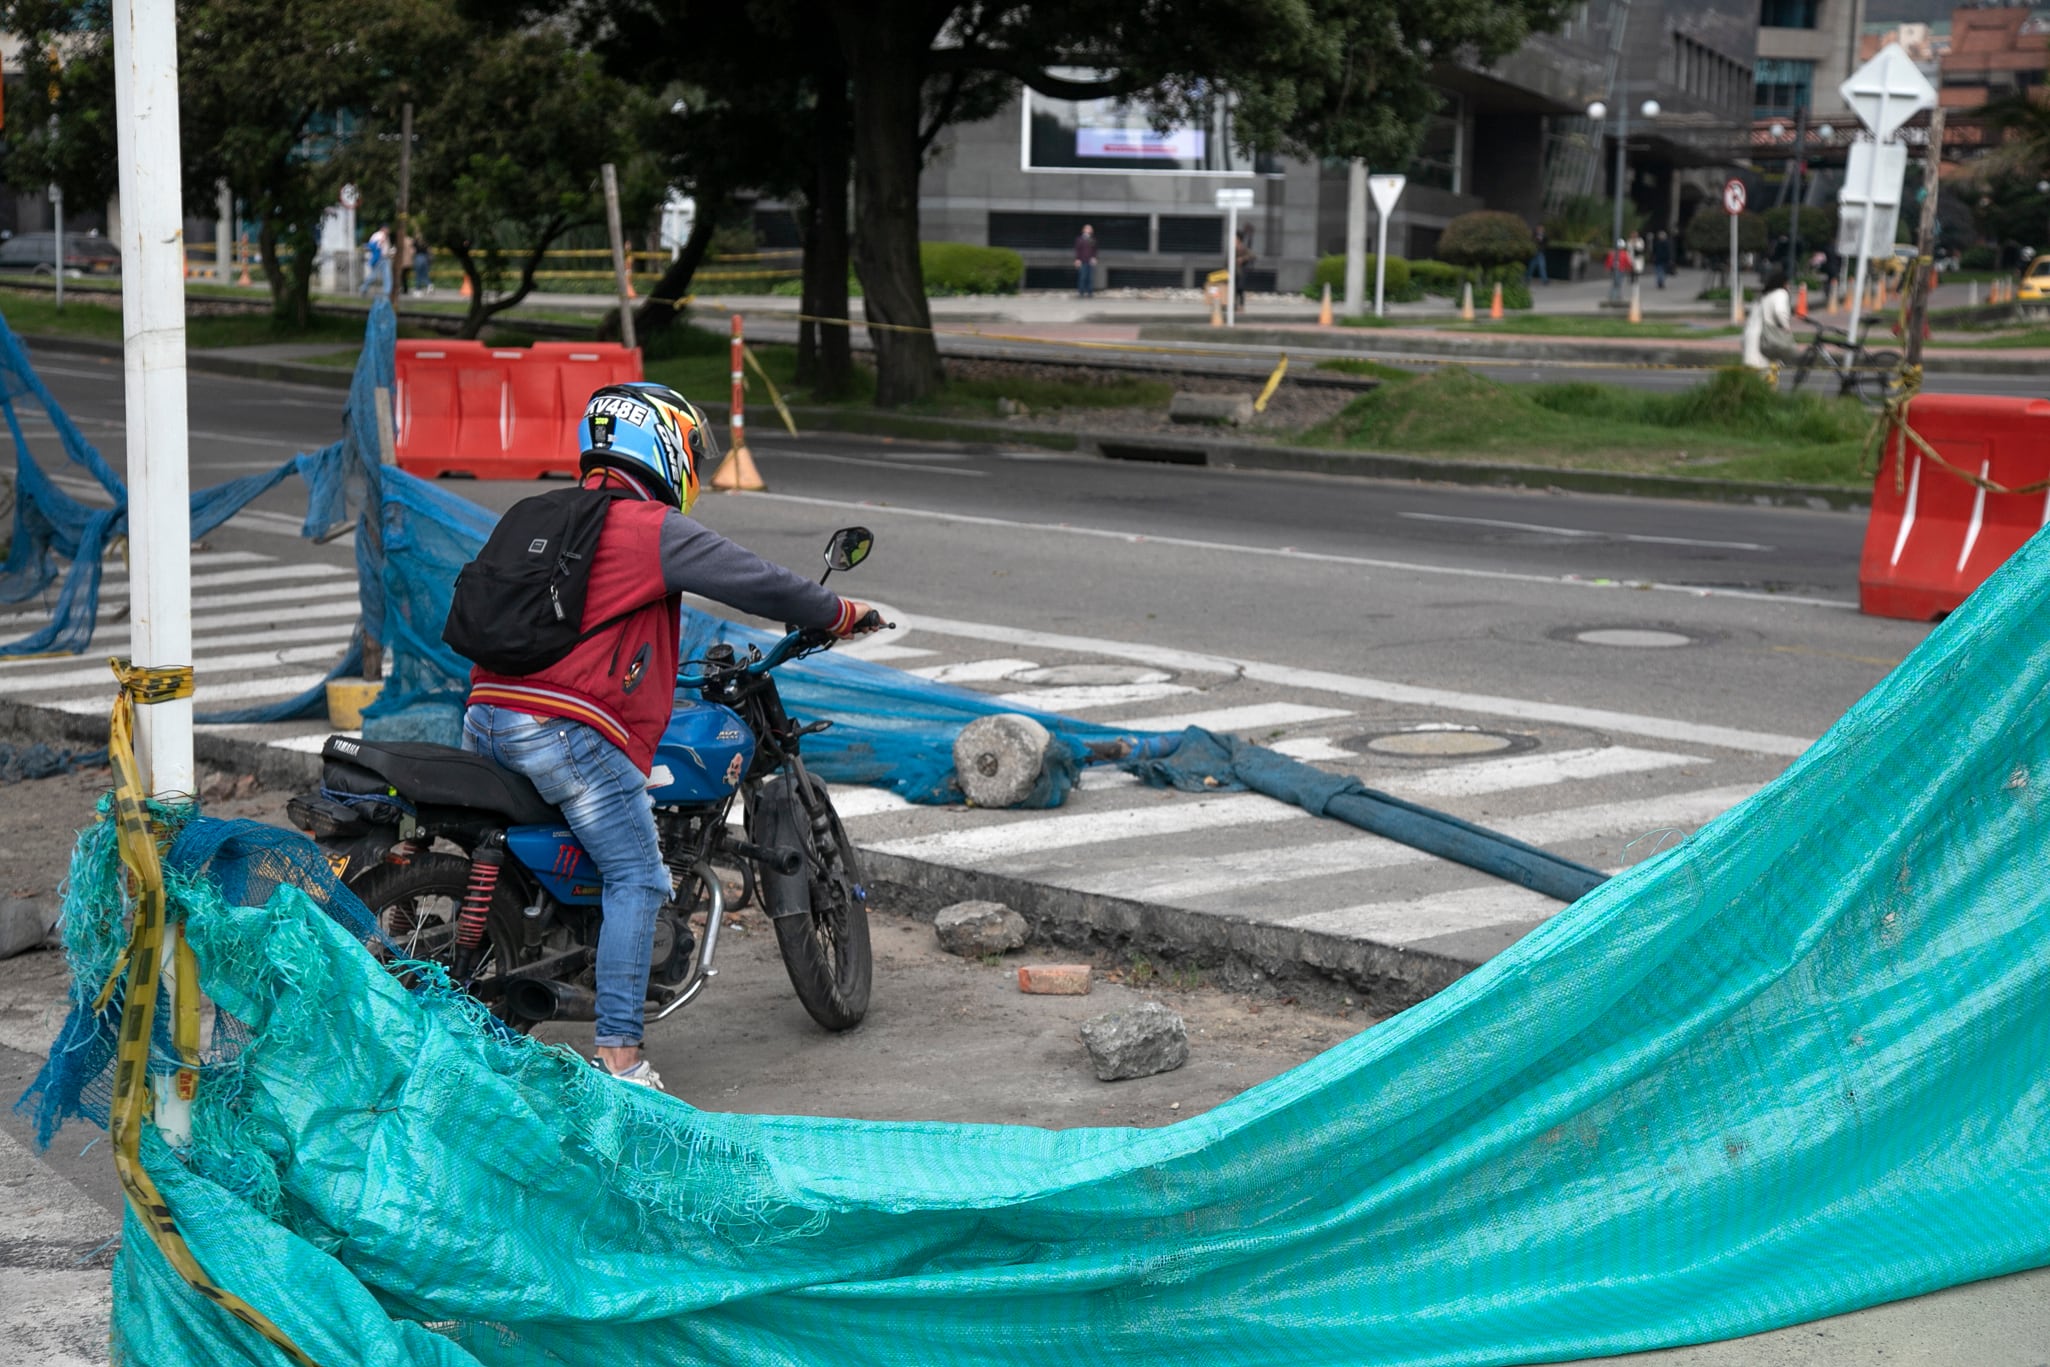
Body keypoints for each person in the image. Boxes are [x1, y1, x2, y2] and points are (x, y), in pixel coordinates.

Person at [461, 383, 879, 1090]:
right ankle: (621, 1060)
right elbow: (759, 580)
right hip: (562, 730)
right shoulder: (645, 524)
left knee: (574, 854)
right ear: (661, 447)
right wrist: (839, 610)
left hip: (487, 715)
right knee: (637, 873)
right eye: (688, 448)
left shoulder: (538, 512)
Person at [1741, 267, 1801, 373]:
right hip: (1766, 339)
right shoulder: (1781, 293)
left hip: (1751, 336)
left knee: (1752, 373)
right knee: (1766, 374)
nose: (1789, 286)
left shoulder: (1764, 296)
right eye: (1787, 283)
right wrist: (1786, 326)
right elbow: (1779, 311)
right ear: (1783, 283)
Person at [362, 224, 390, 296]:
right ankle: (363, 288)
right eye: (387, 229)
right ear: (383, 228)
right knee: (373, 276)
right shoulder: (379, 235)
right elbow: (375, 246)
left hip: (384, 258)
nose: (388, 231)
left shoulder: (380, 235)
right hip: (379, 258)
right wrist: (381, 242)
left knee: (386, 275)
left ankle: (387, 292)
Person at [1234, 226, 1255, 311]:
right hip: (1234, 271)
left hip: (1242, 271)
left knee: (1240, 288)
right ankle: (1235, 305)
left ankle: (1241, 305)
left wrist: (1242, 259)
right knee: (1234, 288)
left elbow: (1252, 255)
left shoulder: (1243, 248)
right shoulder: (1233, 247)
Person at [1073, 223, 1097, 297]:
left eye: (1090, 229)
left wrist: (1094, 257)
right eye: (1087, 228)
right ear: (1083, 230)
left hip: (1090, 261)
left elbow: (1095, 250)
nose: (1088, 230)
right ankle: (1081, 292)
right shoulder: (1079, 239)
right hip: (1082, 260)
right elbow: (1077, 250)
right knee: (1082, 277)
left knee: (1090, 277)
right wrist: (1077, 259)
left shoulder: (1092, 239)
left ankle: (1090, 292)